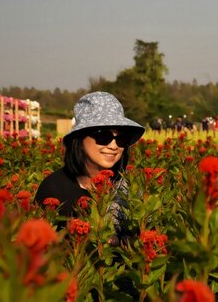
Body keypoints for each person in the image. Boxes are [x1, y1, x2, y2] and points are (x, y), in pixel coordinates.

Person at [34, 92, 145, 243]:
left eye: (121, 139)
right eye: (103, 136)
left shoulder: (130, 190)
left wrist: (118, 242)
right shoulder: (53, 189)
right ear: (80, 139)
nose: (113, 146)